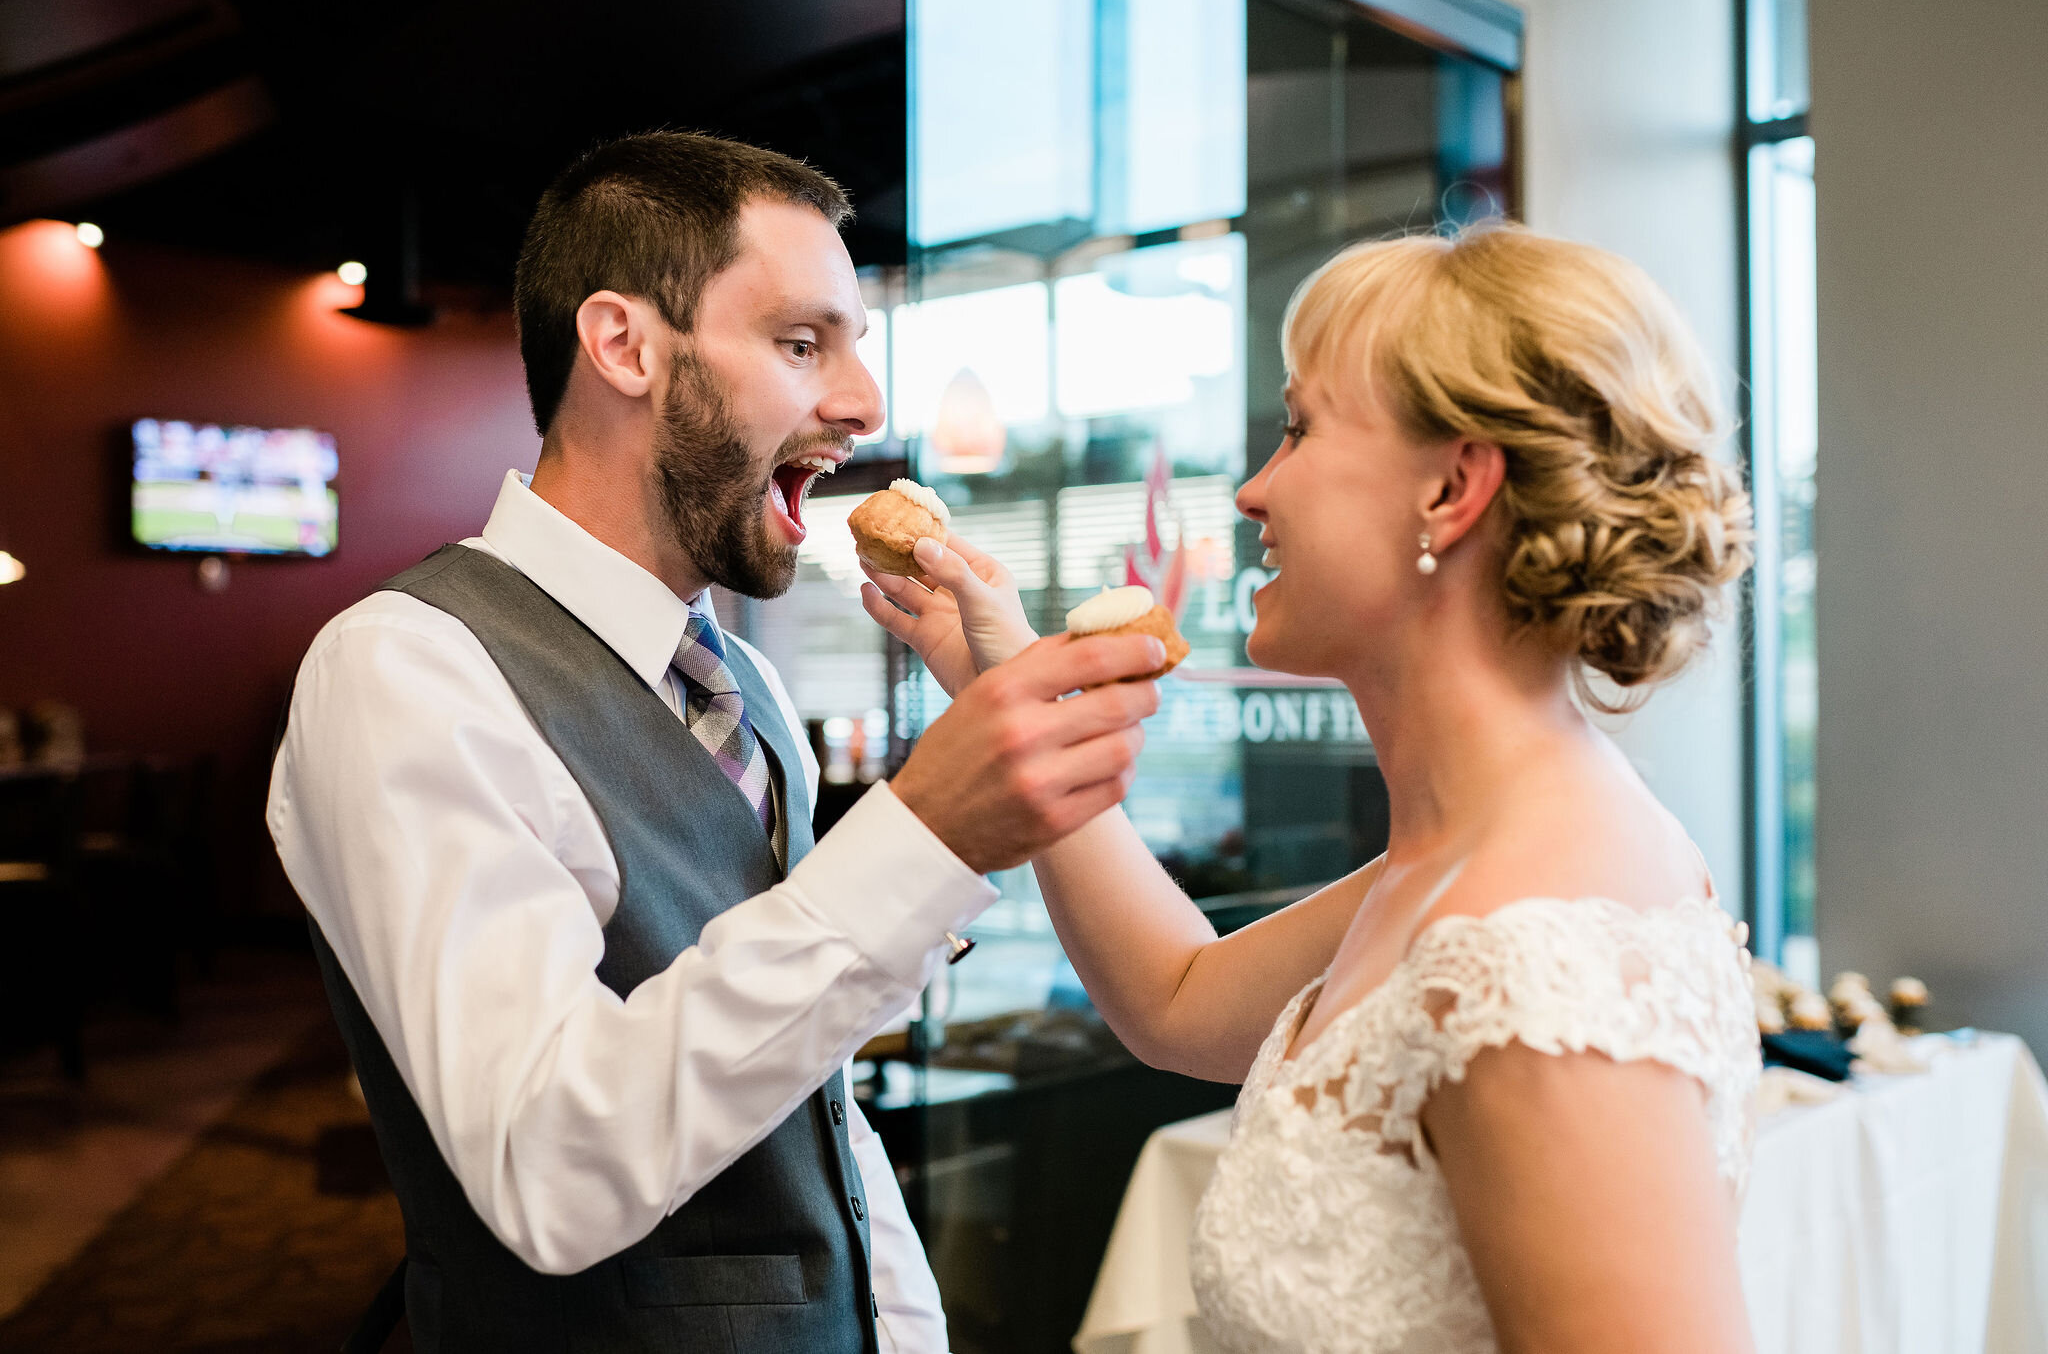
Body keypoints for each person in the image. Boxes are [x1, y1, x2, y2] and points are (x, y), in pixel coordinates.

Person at [267, 131, 1164, 1354]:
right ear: (624, 345)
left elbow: (814, 1113)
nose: (862, 403)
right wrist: (922, 829)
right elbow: (548, 1167)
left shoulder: (733, 681)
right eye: (803, 343)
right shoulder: (404, 668)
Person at [863, 223, 1762, 1353]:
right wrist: (999, 679)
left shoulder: (1534, 951)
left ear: (1450, 488)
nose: (1250, 491)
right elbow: (1177, 1000)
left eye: (1296, 429)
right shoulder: (1464, 854)